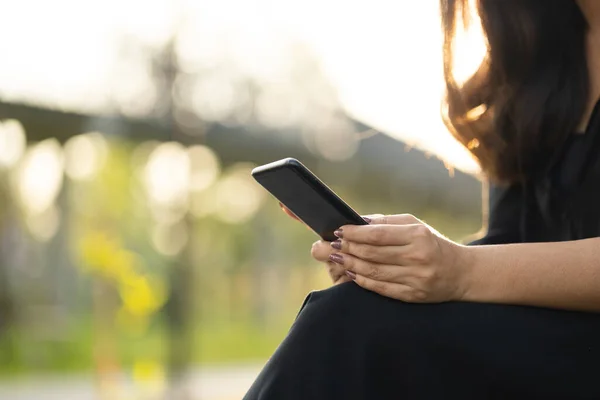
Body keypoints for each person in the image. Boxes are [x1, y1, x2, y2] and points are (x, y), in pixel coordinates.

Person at [244, 0, 600, 398]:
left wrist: (461, 270)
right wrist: (394, 265)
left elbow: (473, 271)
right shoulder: (534, 53)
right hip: (545, 342)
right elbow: (509, 238)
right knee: (358, 313)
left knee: (351, 325)